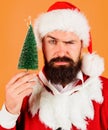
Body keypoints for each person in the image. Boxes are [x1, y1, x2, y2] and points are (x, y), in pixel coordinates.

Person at [0, 1, 108, 130]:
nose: (61, 52)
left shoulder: (105, 93)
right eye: (52, 41)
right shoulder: (22, 95)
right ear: (42, 46)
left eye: (69, 42)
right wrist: (9, 113)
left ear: (81, 45)